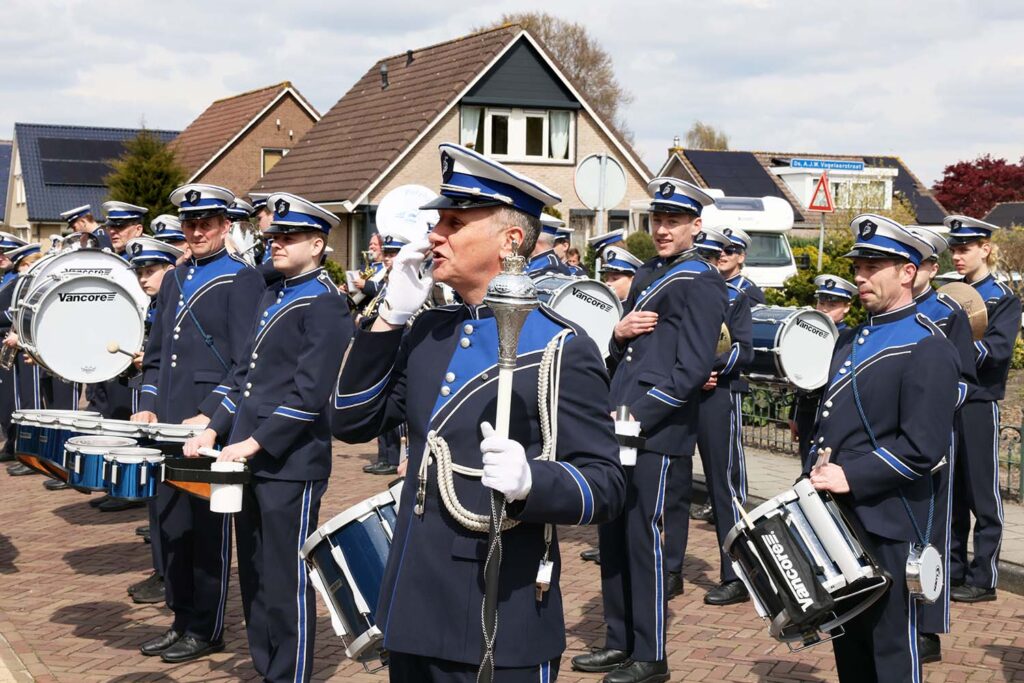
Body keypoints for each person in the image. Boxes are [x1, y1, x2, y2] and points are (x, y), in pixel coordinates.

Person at [331, 142, 624, 683]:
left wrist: (532, 480)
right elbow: (349, 420)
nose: (434, 234)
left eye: (454, 221)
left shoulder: (559, 346)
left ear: (511, 240)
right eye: (438, 220)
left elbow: (604, 485)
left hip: (499, 616)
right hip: (414, 607)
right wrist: (389, 318)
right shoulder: (428, 329)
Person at [185, 192, 352, 683]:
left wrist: (254, 442)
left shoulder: (325, 303)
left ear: (318, 243)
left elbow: (308, 394)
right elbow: (244, 378)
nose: (275, 243)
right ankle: (267, 668)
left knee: (284, 579)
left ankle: (290, 675)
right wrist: (214, 426)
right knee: (255, 575)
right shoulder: (273, 291)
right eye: (274, 235)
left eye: (288, 236)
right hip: (247, 456)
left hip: (290, 463)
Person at [573, 177, 727, 683]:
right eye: (657, 220)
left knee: (645, 540)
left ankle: (651, 653)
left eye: (673, 221)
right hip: (619, 423)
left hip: (655, 432)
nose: (662, 229)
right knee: (613, 537)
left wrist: (639, 414)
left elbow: (692, 367)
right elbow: (627, 352)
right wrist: (615, 336)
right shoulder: (645, 274)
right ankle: (618, 642)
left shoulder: (701, 279)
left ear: (695, 226)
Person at [808, 214, 959, 682]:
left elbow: (922, 447)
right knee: (849, 644)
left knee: (891, 647)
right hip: (843, 515)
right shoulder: (853, 338)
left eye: (873, 266)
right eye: (858, 265)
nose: (859, 276)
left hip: (892, 519)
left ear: (908, 272)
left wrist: (852, 476)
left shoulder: (926, 344)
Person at [131, 183, 264, 663]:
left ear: (226, 225)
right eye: (190, 223)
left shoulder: (241, 279)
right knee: (171, 527)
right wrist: (147, 404)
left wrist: (213, 414)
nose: (197, 231)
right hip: (167, 424)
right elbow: (157, 354)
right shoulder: (173, 278)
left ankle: (206, 627)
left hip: (209, 426)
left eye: (206, 222)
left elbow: (246, 362)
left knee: (206, 534)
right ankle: (181, 617)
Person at [662, 226, 754, 606]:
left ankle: (735, 573)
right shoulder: (679, 287)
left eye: (717, 254)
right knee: (675, 486)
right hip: (684, 393)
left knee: (723, 487)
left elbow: (744, 350)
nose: (713, 261)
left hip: (717, 395)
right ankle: (671, 570)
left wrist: (708, 367)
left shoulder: (736, 296)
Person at [905, 225, 978, 663]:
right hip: (885, 442)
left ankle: (929, 627)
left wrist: (926, 409)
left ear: (932, 267)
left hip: (929, 441)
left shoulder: (948, 313)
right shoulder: (882, 309)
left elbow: (965, 381)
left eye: (916, 260)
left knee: (933, 532)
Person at [946, 215, 1022, 605]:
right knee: (953, 493)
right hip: (948, 403)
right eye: (954, 249)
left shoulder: (1002, 297)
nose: (957, 256)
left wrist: (951, 351)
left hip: (977, 402)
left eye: (965, 248)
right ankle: (955, 568)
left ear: (986, 249)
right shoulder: (948, 293)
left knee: (982, 493)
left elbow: (997, 351)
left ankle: (985, 576)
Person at [121, 237, 184, 605]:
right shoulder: (154, 306)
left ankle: (167, 575)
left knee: (169, 501)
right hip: (150, 403)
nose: (144, 279)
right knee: (156, 498)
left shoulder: (173, 306)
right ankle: (161, 570)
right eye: (140, 272)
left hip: (170, 409)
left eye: (151, 271)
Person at [790, 275, 857, 469]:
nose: (825, 308)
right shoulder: (808, 334)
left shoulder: (850, 337)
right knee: (806, 465)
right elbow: (800, 374)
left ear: (847, 307)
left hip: (833, 413)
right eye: (821, 302)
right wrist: (794, 414)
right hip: (808, 410)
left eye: (833, 304)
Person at [362, 233, 407, 476]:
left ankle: (394, 458)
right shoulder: (389, 280)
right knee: (381, 401)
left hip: (399, 345)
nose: (388, 259)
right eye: (387, 254)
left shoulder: (406, 282)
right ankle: (384, 456)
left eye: (394, 254)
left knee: (394, 406)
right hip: (385, 347)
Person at [1, 244, 44, 477]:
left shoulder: (36, 282)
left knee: (33, 403)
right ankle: (27, 452)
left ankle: (34, 455)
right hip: (20, 345)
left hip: (31, 347)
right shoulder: (22, 281)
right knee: (23, 404)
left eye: (24, 265)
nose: (22, 271)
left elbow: (24, 313)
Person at [0, 233, 27, 465]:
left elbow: (14, 313)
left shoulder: (18, 279)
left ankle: (19, 445)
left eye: (5, 254)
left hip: (14, 343)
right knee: (5, 400)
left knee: (16, 399)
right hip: (4, 343)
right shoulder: (5, 278)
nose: (1, 258)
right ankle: (11, 441)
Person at [716, 227, 765, 305]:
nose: (722, 254)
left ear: (741, 258)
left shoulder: (749, 291)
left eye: (729, 251)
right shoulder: (710, 284)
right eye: (718, 250)